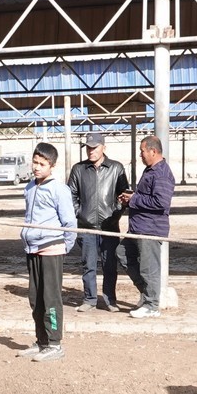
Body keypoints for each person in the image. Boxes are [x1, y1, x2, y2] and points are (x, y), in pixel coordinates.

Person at [18, 142, 76, 363]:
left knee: (51, 298)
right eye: (35, 162)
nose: (37, 167)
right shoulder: (30, 187)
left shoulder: (59, 189)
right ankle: (41, 341)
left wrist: (63, 247)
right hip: (32, 248)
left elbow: (69, 222)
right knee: (35, 298)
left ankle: (54, 343)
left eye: (42, 164)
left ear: (52, 166)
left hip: (51, 249)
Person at [68, 132, 130, 312]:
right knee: (88, 265)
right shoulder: (78, 169)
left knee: (109, 264)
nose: (91, 151)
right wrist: (79, 213)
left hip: (109, 226)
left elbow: (123, 194)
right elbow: (71, 194)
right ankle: (89, 299)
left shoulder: (116, 168)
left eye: (94, 147)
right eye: (88, 147)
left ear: (104, 147)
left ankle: (110, 300)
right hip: (86, 227)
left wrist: (116, 213)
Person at [117, 135, 174, 319]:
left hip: (150, 228)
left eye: (142, 151)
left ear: (153, 151)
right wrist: (130, 198)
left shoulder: (162, 173)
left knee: (149, 267)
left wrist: (134, 199)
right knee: (122, 253)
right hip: (138, 227)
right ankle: (147, 293)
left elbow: (161, 202)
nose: (140, 155)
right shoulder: (150, 171)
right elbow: (147, 197)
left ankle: (152, 305)